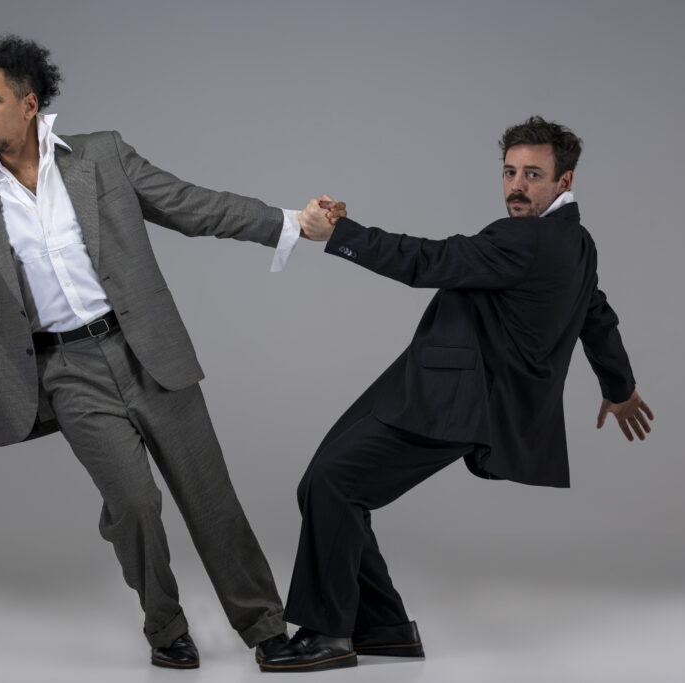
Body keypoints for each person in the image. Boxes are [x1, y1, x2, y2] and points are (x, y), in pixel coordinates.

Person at [0, 34, 344, 670]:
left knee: (210, 497)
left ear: (29, 104)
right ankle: (166, 629)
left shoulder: (102, 156)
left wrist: (292, 222)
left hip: (147, 350)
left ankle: (268, 633)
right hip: (66, 372)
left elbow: (191, 205)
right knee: (133, 504)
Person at [259, 116, 654, 673]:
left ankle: (329, 634)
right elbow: (596, 313)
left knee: (333, 483)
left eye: (533, 175)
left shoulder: (527, 240)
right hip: (436, 385)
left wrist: (339, 234)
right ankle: (385, 628)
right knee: (324, 485)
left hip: (454, 401)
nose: (516, 186)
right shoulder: (577, 243)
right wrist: (621, 388)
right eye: (510, 172)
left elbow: (429, 260)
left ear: (563, 182)